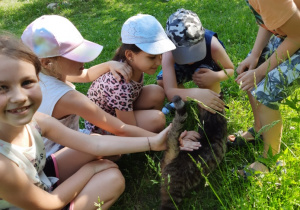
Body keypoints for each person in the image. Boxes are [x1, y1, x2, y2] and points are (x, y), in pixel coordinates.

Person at [0, 33, 172, 210]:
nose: (19, 97)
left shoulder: (36, 121)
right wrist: (89, 170)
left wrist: (155, 142)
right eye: (2, 87)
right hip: (42, 203)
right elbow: (49, 203)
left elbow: (94, 143)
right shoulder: (2, 166)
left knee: (106, 163)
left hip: (39, 177)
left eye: (27, 82)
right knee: (112, 178)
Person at [20, 14, 168, 157]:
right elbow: (120, 128)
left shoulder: (43, 74)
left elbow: (86, 75)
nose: (83, 59)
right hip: (57, 152)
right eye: (75, 55)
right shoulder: (67, 97)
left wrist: (109, 64)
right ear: (48, 62)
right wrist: (166, 140)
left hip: (64, 141)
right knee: (110, 162)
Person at [228, 0, 300, 174]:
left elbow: (297, 35)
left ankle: (269, 162)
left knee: (266, 89)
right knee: (253, 67)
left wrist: (261, 72)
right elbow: (269, 19)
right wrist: (255, 55)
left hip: (297, 36)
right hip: (293, 34)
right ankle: (260, 129)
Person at [85, 14, 174, 134]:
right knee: (157, 119)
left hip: (122, 110)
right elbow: (127, 128)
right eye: (152, 57)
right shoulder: (120, 83)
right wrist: (166, 139)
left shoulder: (131, 65)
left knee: (156, 92)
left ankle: (151, 133)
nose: (159, 62)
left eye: (160, 55)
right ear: (130, 55)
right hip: (104, 128)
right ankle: (145, 141)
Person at [157, 8, 234, 114]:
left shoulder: (213, 45)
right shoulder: (168, 51)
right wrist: (195, 94)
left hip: (207, 70)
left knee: (210, 100)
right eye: (183, 54)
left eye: (195, 52)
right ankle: (182, 101)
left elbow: (230, 69)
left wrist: (215, 76)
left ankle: (214, 102)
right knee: (162, 80)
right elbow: (170, 91)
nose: (190, 61)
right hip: (181, 69)